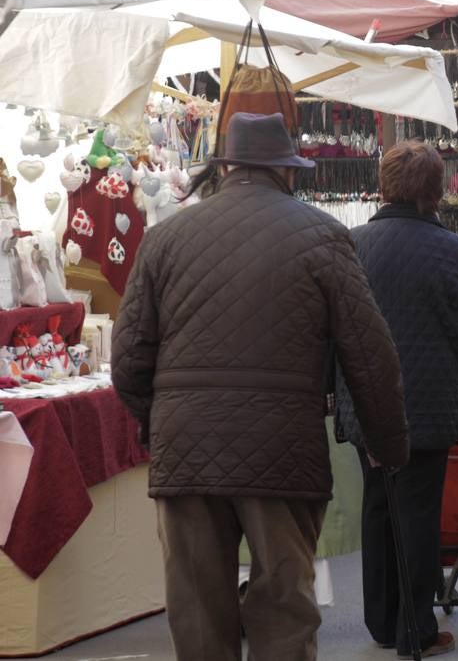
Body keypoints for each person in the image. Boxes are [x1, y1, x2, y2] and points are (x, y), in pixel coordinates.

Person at [111, 113, 410, 661]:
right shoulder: (323, 235)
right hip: (281, 445)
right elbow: (372, 357)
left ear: (225, 166)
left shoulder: (164, 239)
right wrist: (388, 446)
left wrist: (161, 420)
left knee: (200, 613)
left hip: (186, 450)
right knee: (283, 611)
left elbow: (128, 361)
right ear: (287, 172)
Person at [338, 140, 458, 658]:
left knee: (378, 504)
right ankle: (415, 628)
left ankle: (381, 620)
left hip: (364, 400)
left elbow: (333, 326)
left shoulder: (352, 244)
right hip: (427, 402)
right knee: (419, 512)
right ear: (436, 191)